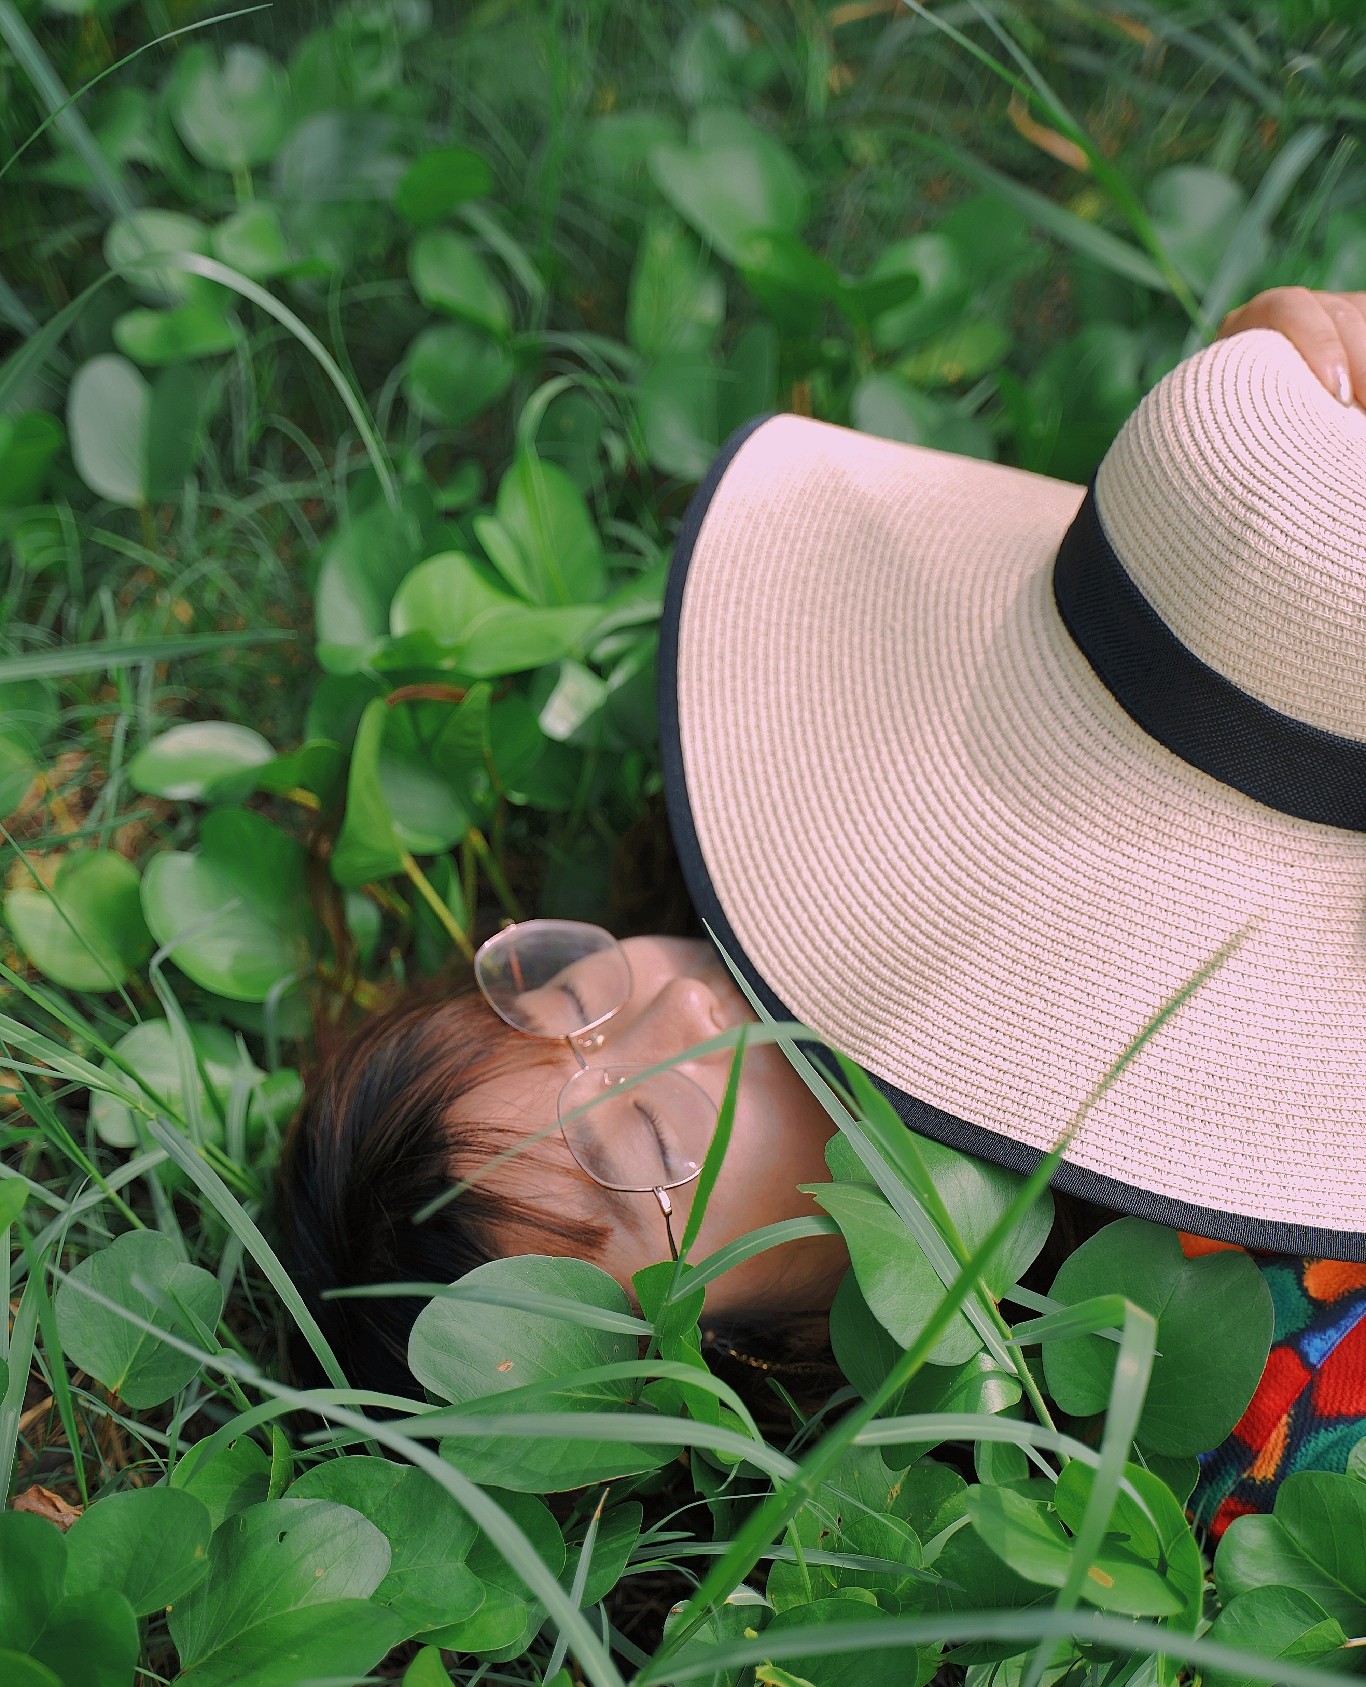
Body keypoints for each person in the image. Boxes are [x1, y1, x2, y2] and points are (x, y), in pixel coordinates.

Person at [276, 286, 1366, 1535]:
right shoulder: (1285, 1407)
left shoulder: (891, 771)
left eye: (569, 991)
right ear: (754, 1357)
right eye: (642, 1143)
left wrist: (1260, 488)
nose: (682, 1000)